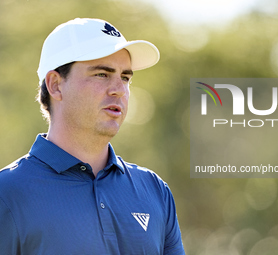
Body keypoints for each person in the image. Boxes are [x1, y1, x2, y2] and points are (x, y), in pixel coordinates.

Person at [0, 18, 185, 255]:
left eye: (125, 77)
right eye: (101, 74)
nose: (119, 89)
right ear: (55, 85)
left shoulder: (154, 190)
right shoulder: (7, 193)